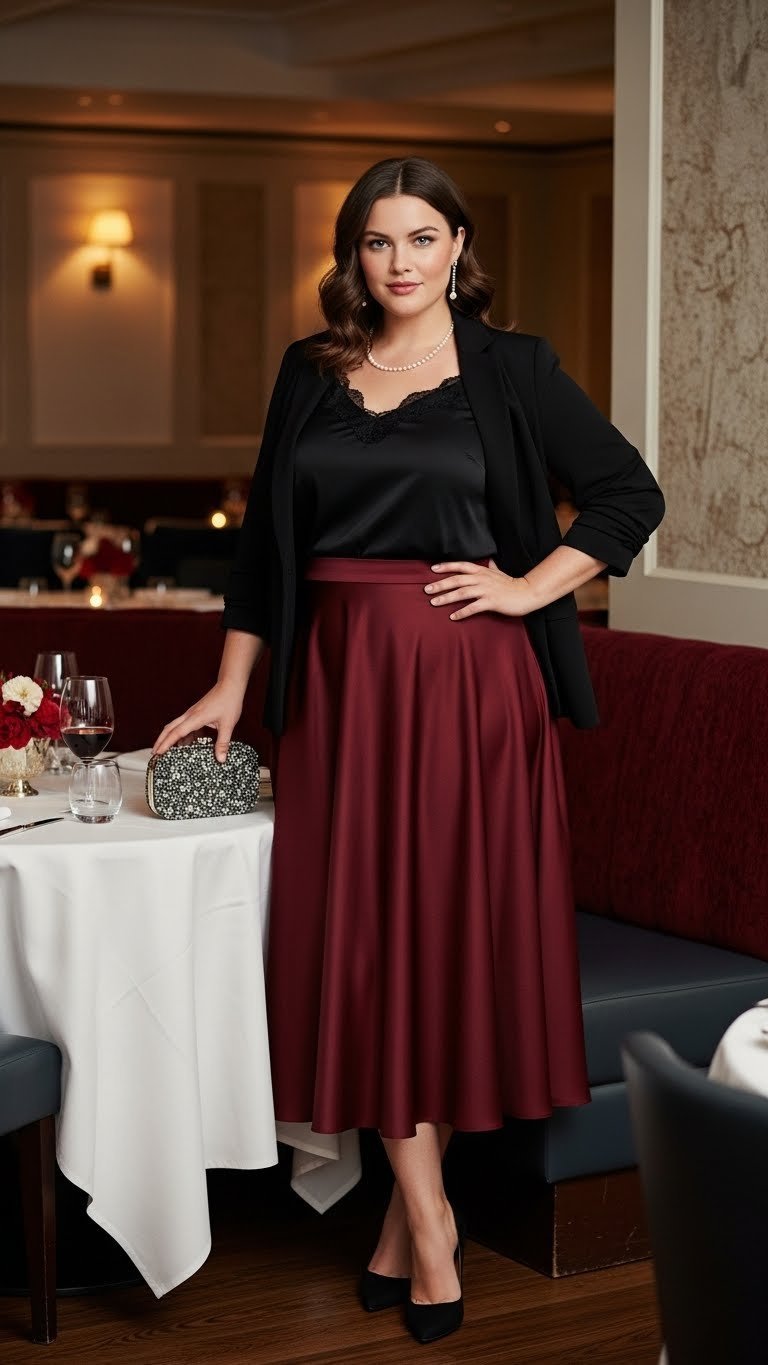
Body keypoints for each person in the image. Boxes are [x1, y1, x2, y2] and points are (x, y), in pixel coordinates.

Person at [154, 156, 665, 1345]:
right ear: (352, 256)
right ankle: (422, 1217)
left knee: (438, 942)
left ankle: (414, 1221)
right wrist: (234, 688)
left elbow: (625, 495)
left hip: (471, 689)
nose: (400, 263)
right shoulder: (311, 371)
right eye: (377, 243)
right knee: (361, 942)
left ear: (458, 247)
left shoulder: (515, 367)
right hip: (336, 688)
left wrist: (530, 583)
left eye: (422, 239)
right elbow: (267, 557)